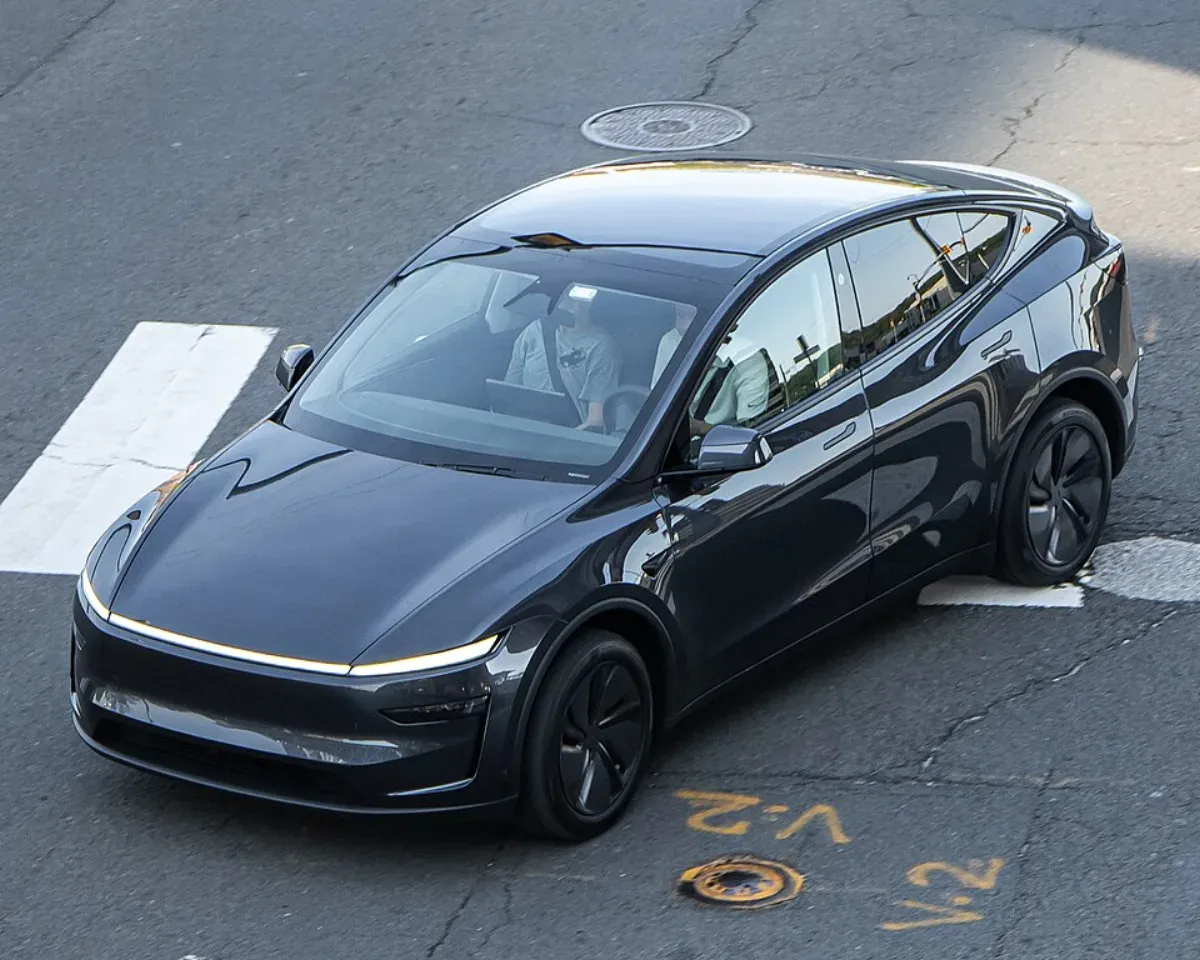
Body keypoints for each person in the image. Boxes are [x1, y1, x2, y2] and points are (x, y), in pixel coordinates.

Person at [504, 284, 621, 429]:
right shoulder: (534, 332)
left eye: (582, 295)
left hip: (568, 436)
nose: (576, 301)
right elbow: (507, 396)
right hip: (523, 431)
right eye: (568, 294)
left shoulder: (601, 347)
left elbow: (595, 422)